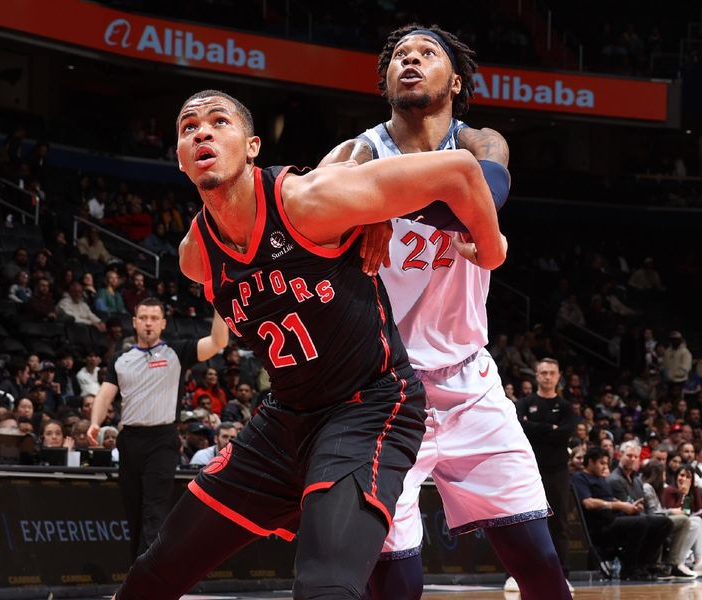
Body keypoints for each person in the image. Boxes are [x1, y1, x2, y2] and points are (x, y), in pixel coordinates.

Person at [113, 88, 505, 600]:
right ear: (182, 158)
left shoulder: (308, 199)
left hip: (370, 405)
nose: (202, 131)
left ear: (253, 146)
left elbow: (460, 170)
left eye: (218, 122)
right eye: (188, 128)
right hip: (285, 419)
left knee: (325, 585)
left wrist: (491, 250)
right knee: (154, 573)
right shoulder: (195, 256)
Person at [321, 24, 562, 599]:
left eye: (426, 53)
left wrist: (379, 198)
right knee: (396, 581)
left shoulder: (481, 142)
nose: (410, 60)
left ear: (454, 79)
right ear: (385, 82)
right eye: (399, 55)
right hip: (383, 390)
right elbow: (313, 204)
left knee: (539, 564)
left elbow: (486, 189)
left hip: (469, 383)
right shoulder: (357, 153)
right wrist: (359, 201)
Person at [89, 297, 228, 563]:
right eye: (143, 318)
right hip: (129, 439)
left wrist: (220, 305)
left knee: (154, 512)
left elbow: (218, 342)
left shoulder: (177, 351)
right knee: (136, 514)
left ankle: (147, 583)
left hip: (162, 439)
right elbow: (105, 395)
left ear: (163, 323)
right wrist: (96, 421)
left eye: (154, 318)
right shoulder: (120, 359)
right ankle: (137, 577)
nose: (148, 323)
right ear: (134, 322)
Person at [516, 358, 576, 587]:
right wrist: (549, 428)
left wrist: (536, 428)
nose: (547, 376)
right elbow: (521, 428)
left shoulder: (567, 407)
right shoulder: (523, 403)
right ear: (536, 375)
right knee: (521, 521)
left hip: (558, 471)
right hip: (527, 469)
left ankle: (563, 576)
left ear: (559, 376)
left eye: (552, 372)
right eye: (543, 372)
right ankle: (516, 575)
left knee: (559, 523)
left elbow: (565, 433)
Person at [572, 445, 672, 580]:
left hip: (616, 518)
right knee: (640, 522)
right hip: (601, 524)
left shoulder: (600, 478)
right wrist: (619, 505)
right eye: (601, 463)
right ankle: (629, 568)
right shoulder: (579, 478)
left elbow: (609, 497)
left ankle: (643, 564)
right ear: (590, 462)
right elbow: (588, 503)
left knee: (664, 523)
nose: (604, 467)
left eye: (606, 463)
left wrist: (629, 506)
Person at [610, 440, 695, 578]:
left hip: (648, 517)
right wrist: (681, 498)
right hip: (638, 520)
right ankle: (671, 563)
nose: (683, 479)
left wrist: (686, 494)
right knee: (684, 521)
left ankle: (683, 562)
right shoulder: (667, 490)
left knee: (694, 521)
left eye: (687, 476)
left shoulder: (691, 491)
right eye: (681, 475)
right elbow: (662, 511)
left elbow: (686, 510)